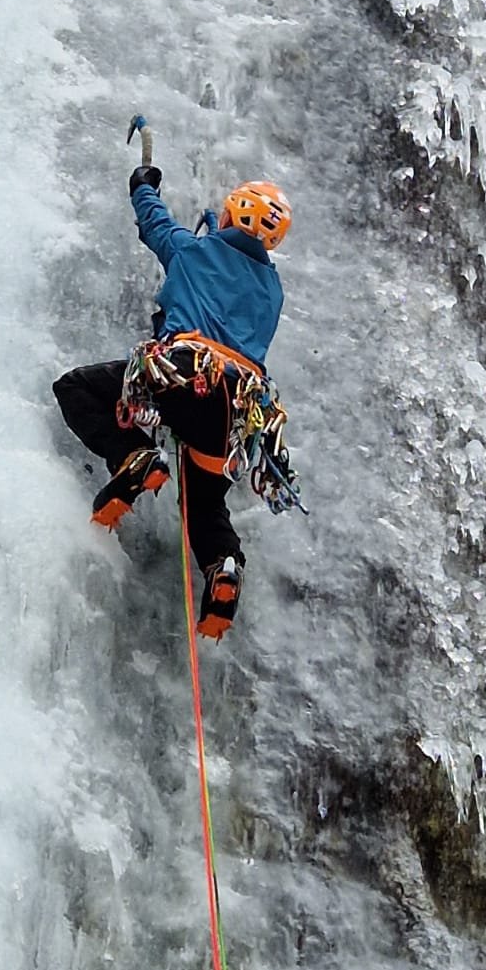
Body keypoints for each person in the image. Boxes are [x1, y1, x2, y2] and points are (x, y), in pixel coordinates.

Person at [53, 161, 292, 640]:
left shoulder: (191, 250)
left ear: (227, 216)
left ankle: (134, 456)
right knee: (204, 504)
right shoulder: (273, 290)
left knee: (76, 387)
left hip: (184, 376)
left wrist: (144, 185)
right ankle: (223, 567)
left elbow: (156, 225)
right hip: (238, 412)